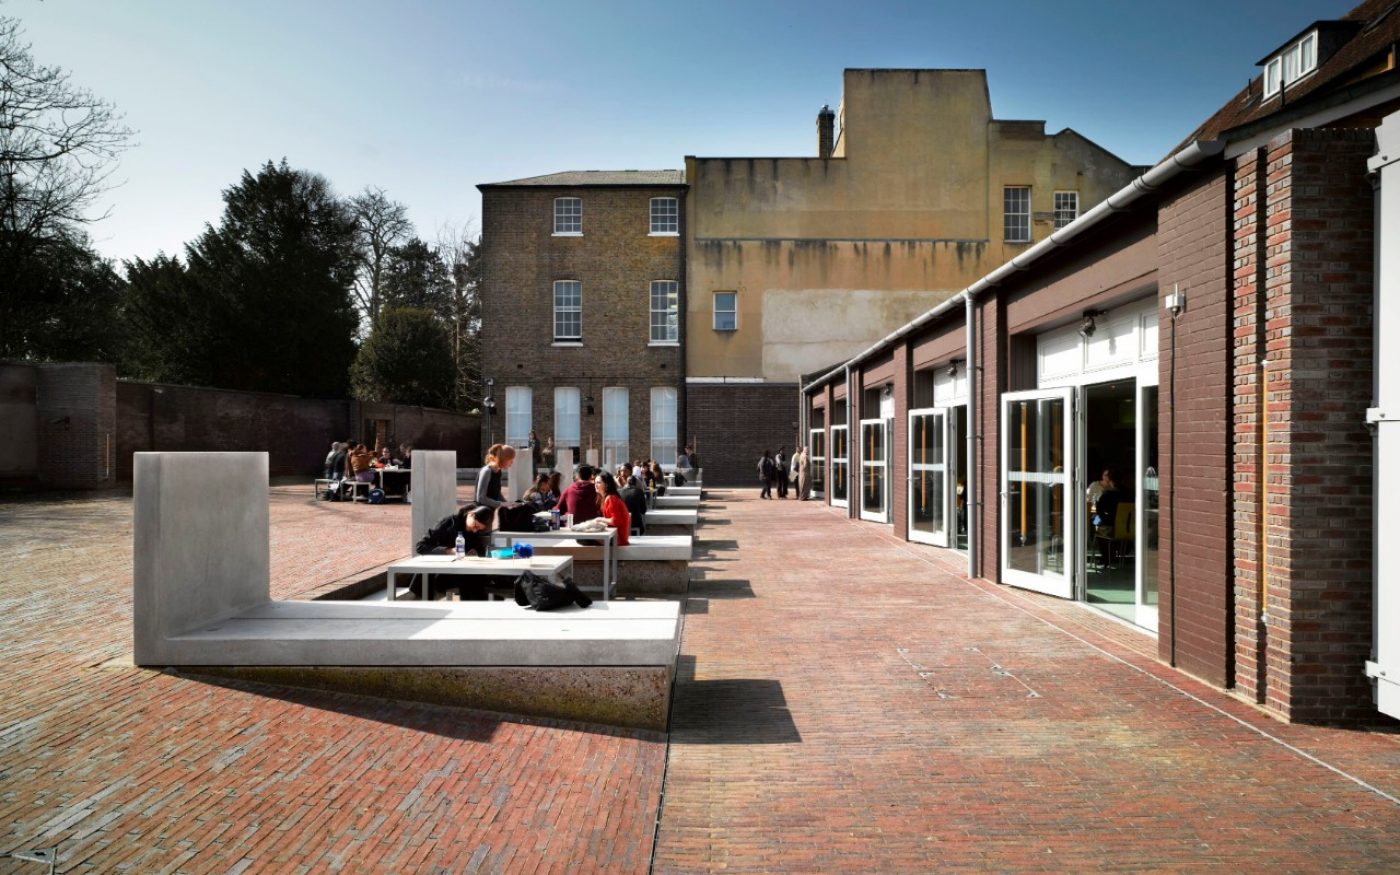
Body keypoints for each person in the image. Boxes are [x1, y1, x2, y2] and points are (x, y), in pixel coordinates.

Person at [410, 503, 492, 599]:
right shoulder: (448, 523)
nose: (475, 531)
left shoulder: (475, 533)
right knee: (473, 581)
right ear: (471, 514)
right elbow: (421, 546)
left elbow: (481, 552)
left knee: (476, 579)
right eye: (475, 526)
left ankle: (473, 610)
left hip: (462, 572)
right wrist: (447, 551)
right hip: (440, 572)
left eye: (478, 529)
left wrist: (476, 553)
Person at [475, 443, 517, 527]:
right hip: (479, 516)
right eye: (510, 459)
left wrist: (509, 504)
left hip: (489, 515)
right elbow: (480, 498)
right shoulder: (487, 471)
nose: (512, 462)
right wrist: (501, 504)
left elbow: (497, 493)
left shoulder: (498, 471)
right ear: (503, 459)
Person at [594, 471, 631, 546]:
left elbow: (616, 521)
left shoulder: (611, 498)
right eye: (595, 483)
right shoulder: (608, 497)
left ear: (606, 484)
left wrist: (599, 519)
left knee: (582, 539)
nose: (595, 485)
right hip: (615, 536)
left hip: (618, 539)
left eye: (598, 483)